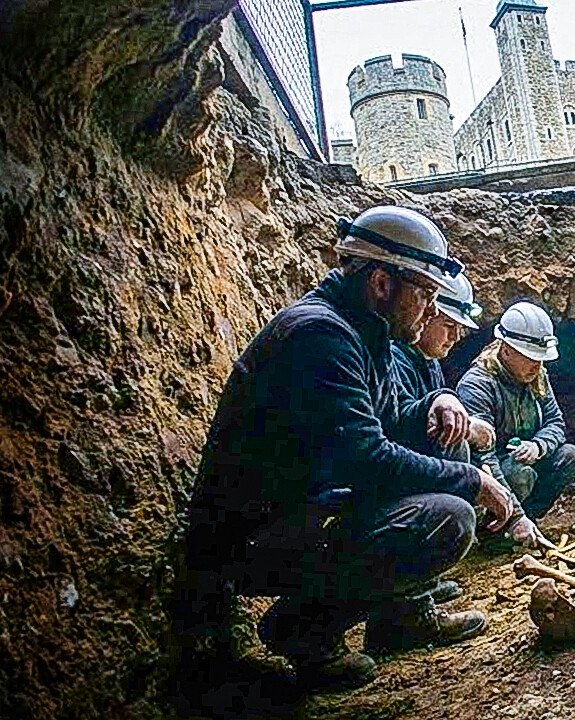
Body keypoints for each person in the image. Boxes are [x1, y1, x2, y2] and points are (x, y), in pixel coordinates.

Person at [171, 206, 515, 693]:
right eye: (424, 293)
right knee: (447, 517)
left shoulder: (364, 332)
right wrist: (475, 480)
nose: (430, 308)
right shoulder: (320, 334)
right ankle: (305, 629)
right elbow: (365, 457)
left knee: (442, 441)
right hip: (252, 535)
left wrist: (433, 408)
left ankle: (401, 617)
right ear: (381, 284)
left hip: (306, 506)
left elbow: (388, 423)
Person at [457, 301, 575, 543]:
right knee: (519, 474)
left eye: (541, 358)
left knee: (570, 455)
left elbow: (556, 422)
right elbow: (484, 458)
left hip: (527, 461)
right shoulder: (478, 385)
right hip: (493, 473)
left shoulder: (537, 376)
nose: (538, 365)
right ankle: (495, 531)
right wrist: (515, 515)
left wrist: (538, 446)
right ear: (505, 350)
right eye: (530, 357)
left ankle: (529, 522)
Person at [392, 271, 496, 456]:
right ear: (427, 313)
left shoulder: (431, 363)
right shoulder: (395, 360)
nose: (455, 337)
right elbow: (404, 428)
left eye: (459, 328)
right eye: (449, 326)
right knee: (455, 445)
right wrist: (468, 430)